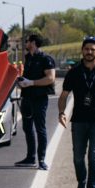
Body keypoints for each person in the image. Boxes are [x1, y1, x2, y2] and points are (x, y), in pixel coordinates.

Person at [58, 36, 95, 188]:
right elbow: (64, 95)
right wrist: (61, 112)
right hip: (79, 121)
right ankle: (82, 181)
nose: (89, 52)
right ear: (82, 50)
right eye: (87, 49)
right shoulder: (74, 72)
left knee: (94, 158)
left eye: (93, 49)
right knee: (78, 158)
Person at [14, 33, 56, 170]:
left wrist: (31, 82)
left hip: (39, 98)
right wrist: (22, 82)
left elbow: (50, 78)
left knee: (40, 129)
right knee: (27, 128)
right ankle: (30, 157)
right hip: (27, 97)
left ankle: (42, 160)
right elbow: (27, 77)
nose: (25, 44)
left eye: (26, 41)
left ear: (33, 43)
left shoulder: (45, 59)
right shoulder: (28, 58)